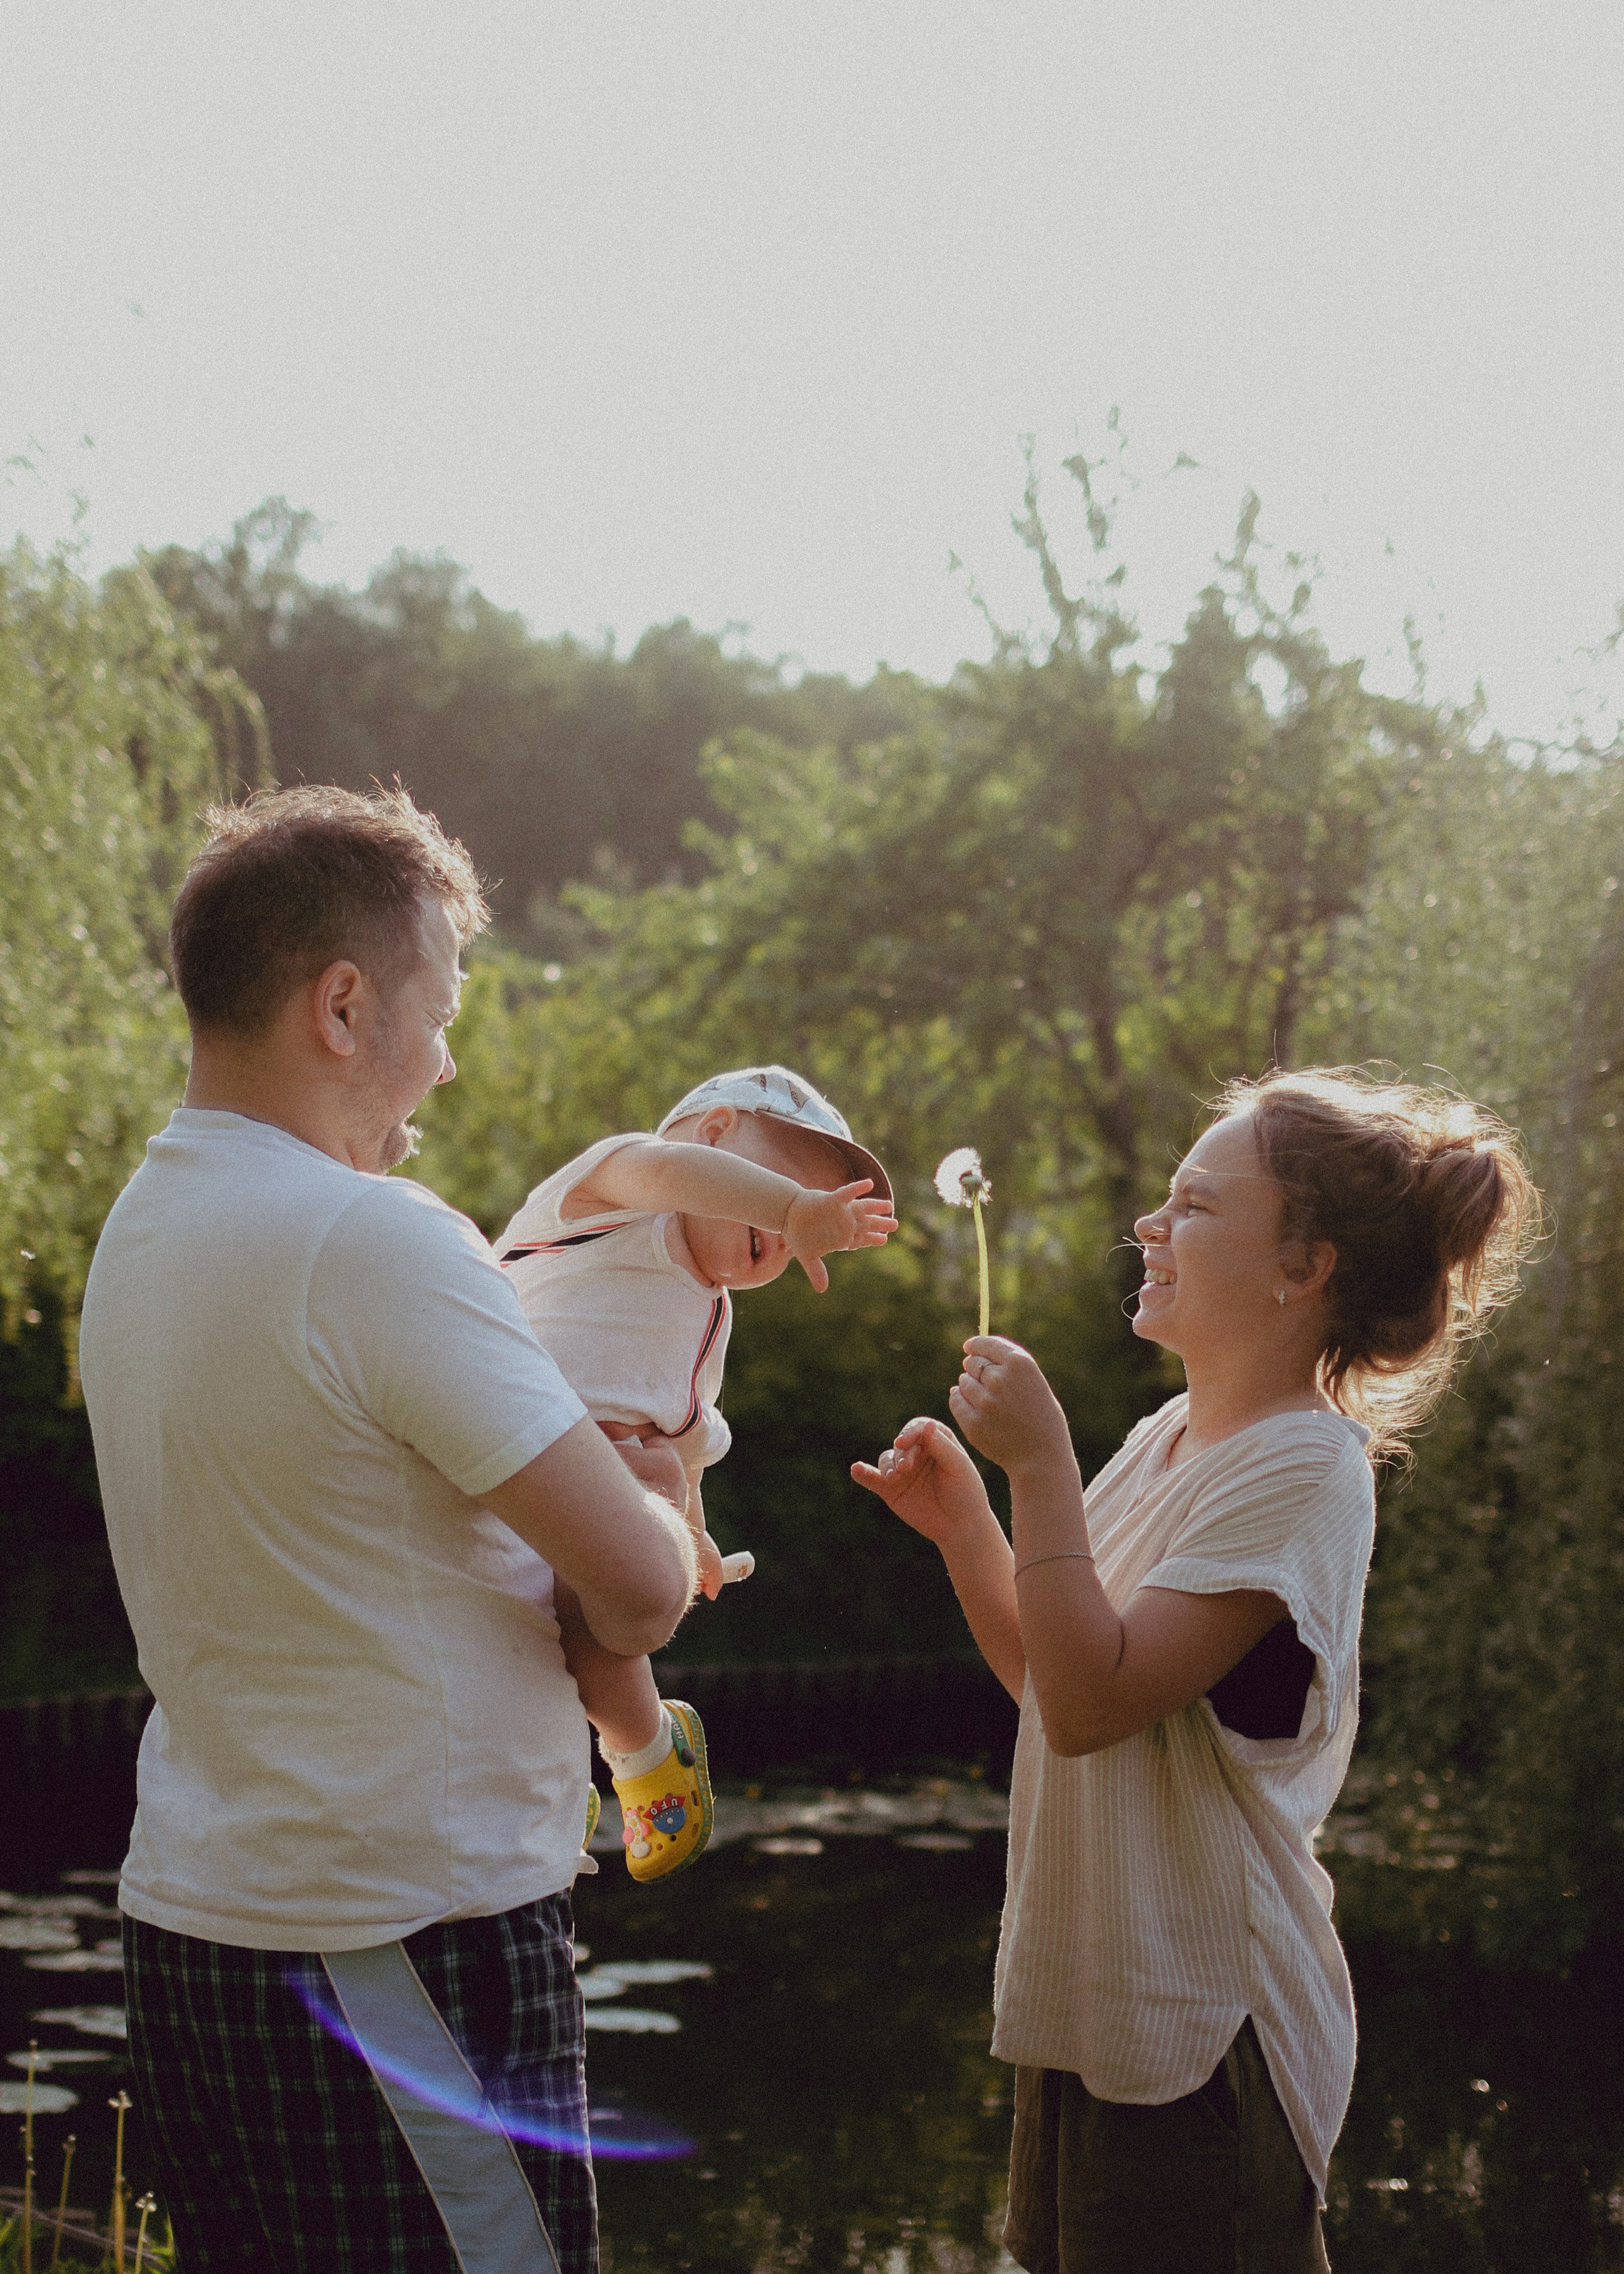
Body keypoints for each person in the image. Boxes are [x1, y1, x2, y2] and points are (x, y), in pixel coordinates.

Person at [79, 784, 698, 2274]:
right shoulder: (371, 1235)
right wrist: (667, 1504)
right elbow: (630, 1593)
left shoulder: (143, 1230)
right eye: (438, 1009)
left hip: (211, 1929)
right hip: (394, 1943)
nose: (447, 1058)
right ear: (342, 1005)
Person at [855, 1068, 1538, 2274]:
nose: (1151, 1228)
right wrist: (972, 1526)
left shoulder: (1307, 1465)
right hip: (1101, 2005)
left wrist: (1040, 1468)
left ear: (1303, 1266)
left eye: (1196, 1205)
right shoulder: (1161, 1441)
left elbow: (1091, 1700)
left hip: (1205, 2028)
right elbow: (1056, 1677)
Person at [495, 1066, 895, 1881]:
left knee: (587, 1627)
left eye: (797, 1241)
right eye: (776, 1200)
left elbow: (681, 1432)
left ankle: (643, 1755)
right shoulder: (616, 1191)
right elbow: (674, 1171)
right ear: (714, 1133)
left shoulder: (711, 1314)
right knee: (503, 1630)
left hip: (607, 1484)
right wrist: (793, 1210)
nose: (782, 1240)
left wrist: (697, 1536)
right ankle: (566, 1769)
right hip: (505, 1450)